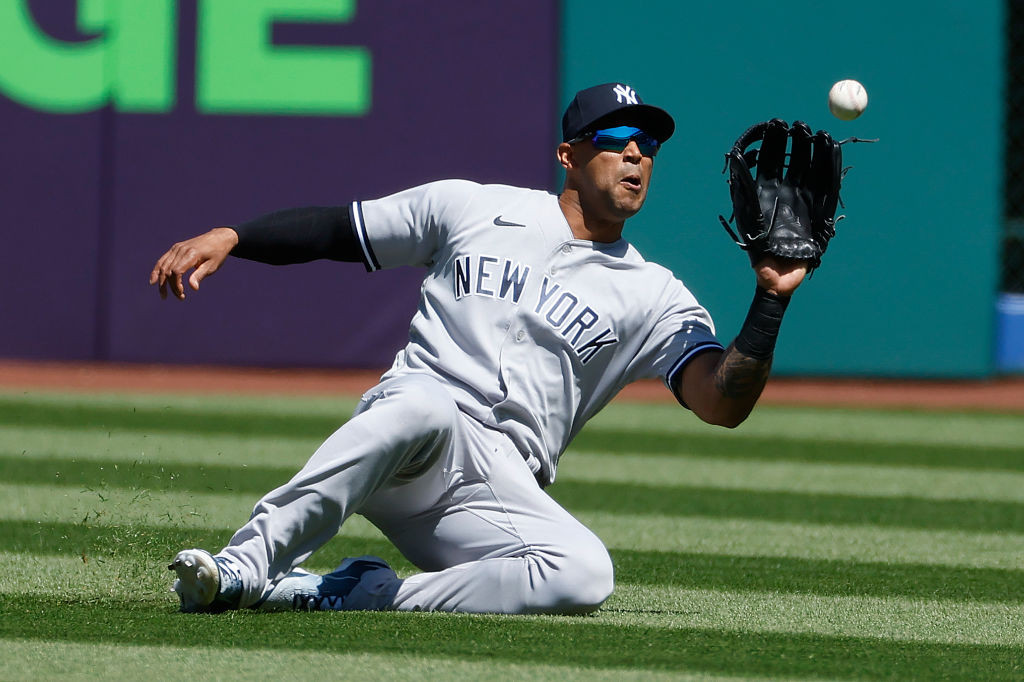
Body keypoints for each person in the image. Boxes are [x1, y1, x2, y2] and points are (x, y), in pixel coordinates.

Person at [150, 83, 807, 615]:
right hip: (415, 433)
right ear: (568, 155)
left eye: (648, 143)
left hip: (494, 487)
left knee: (583, 576)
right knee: (424, 406)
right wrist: (234, 235)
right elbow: (339, 229)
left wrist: (770, 299)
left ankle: (360, 594)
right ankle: (245, 564)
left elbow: (720, 402)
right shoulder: (473, 207)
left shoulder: (655, 294)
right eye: (614, 139)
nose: (636, 154)